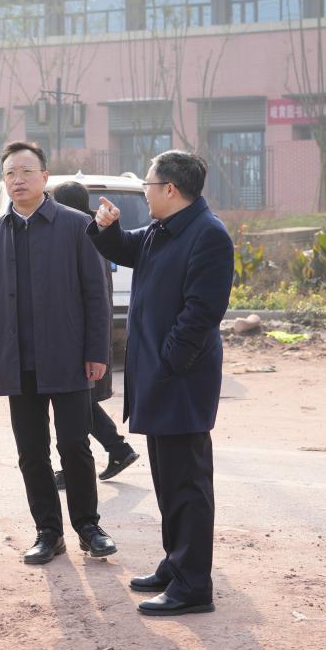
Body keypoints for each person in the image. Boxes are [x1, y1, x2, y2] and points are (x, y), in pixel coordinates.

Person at [89, 150, 233, 616]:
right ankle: (175, 565)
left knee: (188, 485)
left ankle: (193, 585)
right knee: (169, 481)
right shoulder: (162, 229)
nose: (145, 193)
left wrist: (169, 360)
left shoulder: (207, 234)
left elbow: (202, 312)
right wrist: (108, 227)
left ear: (170, 189)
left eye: (148, 185)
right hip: (159, 377)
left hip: (181, 380)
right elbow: (122, 248)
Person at [0, 142, 117, 566]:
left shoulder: (76, 225)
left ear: (45, 177)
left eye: (26, 172)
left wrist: (97, 352)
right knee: (32, 452)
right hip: (17, 361)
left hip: (67, 357)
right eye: (10, 173)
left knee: (74, 445)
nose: (18, 180)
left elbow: (96, 295)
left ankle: (89, 528)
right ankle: (48, 533)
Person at [49, 180, 139, 489]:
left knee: (73, 404)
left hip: (77, 333)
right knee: (80, 402)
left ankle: (81, 465)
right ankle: (117, 449)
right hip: (84, 331)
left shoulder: (80, 234)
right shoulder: (91, 230)